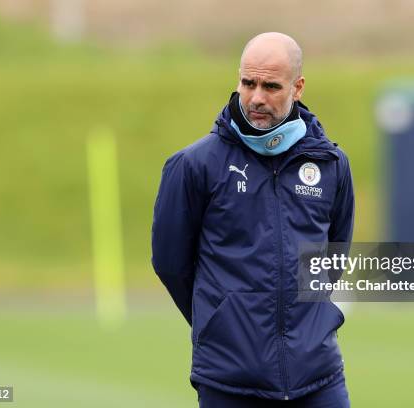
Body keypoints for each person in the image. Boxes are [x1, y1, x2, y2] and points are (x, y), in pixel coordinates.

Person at [152, 32, 355, 407]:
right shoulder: (194, 165)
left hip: (319, 376)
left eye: (271, 86)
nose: (257, 97)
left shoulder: (330, 164)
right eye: (248, 83)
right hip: (231, 382)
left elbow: (334, 256)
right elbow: (170, 263)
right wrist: (220, 319)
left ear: (298, 87)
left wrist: (308, 324)